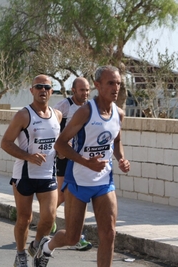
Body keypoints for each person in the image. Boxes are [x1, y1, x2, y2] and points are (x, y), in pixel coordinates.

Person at [34, 66, 131, 267]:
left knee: (109, 234)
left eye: (118, 83)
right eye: (110, 83)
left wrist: (121, 158)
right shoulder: (85, 112)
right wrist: (87, 163)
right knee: (73, 237)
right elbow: (60, 144)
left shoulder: (119, 114)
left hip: (104, 180)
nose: (116, 88)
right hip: (78, 179)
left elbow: (116, 141)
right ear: (98, 85)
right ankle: (47, 247)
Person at [1, 74, 62, 267]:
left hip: (47, 174)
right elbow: (5, 143)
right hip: (24, 175)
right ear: (32, 91)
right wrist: (28, 156)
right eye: (39, 87)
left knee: (49, 217)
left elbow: (58, 143)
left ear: (52, 91)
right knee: (24, 219)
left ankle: (35, 246)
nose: (43, 90)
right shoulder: (24, 115)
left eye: (46, 87)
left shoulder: (57, 115)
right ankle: (20, 254)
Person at [53, 77, 92, 251]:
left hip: (81, 157)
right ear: (74, 90)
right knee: (63, 196)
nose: (85, 93)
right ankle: (48, 218)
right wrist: (61, 145)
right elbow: (50, 125)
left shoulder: (90, 108)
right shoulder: (64, 106)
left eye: (87, 90)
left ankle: (78, 236)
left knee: (79, 197)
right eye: (82, 90)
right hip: (65, 156)